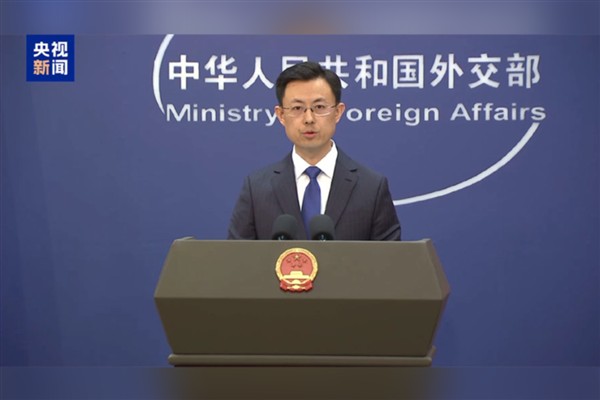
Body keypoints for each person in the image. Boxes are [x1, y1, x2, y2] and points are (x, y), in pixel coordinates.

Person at [227, 61, 401, 240]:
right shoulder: (257, 190)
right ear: (281, 115)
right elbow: (236, 256)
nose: (309, 119)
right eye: (297, 108)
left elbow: (389, 256)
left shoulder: (371, 188)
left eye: (319, 107)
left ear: (338, 112)